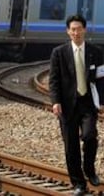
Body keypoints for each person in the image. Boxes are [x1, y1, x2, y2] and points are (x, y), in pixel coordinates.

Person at [49, 14, 104, 196]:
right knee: (70, 146)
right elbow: (54, 80)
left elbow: (102, 79)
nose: (76, 32)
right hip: (67, 106)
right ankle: (78, 183)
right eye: (73, 29)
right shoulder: (59, 53)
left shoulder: (95, 52)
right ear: (67, 31)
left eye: (79, 29)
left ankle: (89, 169)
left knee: (90, 136)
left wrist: (102, 101)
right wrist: (55, 102)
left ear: (85, 30)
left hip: (88, 103)